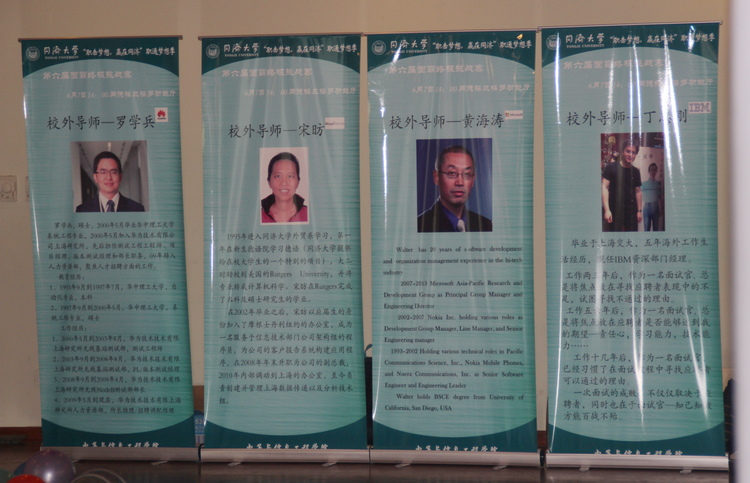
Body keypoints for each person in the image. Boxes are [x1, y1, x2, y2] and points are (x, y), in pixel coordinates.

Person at [417, 145, 492, 232]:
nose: (460, 182)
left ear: (473, 180)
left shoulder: (487, 226)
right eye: (452, 173)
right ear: (436, 177)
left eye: (466, 174)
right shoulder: (420, 226)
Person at [76, 151, 145, 212]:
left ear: (120, 177)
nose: (109, 177)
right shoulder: (82, 210)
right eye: (103, 172)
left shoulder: (137, 209)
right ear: (95, 177)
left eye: (113, 172)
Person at [602, 138, 642, 232]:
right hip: (614, 210)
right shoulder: (611, 167)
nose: (630, 155)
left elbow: (638, 191)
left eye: (633, 152)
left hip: (631, 211)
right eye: (628, 151)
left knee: (632, 237)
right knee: (615, 237)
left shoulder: (635, 172)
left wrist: (639, 211)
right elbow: (604, 188)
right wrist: (607, 210)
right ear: (622, 151)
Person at [261, 152, 308, 223]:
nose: (284, 183)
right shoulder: (258, 216)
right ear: (269, 182)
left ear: (298, 182)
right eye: (278, 176)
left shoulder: (308, 214)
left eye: (290, 176)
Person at [641, 162, 663, 231]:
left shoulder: (658, 184)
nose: (653, 172)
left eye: (654, 170)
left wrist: (662, 208)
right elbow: (638, 193)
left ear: (656, 171)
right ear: (649, 171)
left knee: (656, 229)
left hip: (656, 207)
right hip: (647, 207)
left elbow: (661, 197)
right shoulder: (643, 184)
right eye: (651, 170)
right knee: (646, 229)